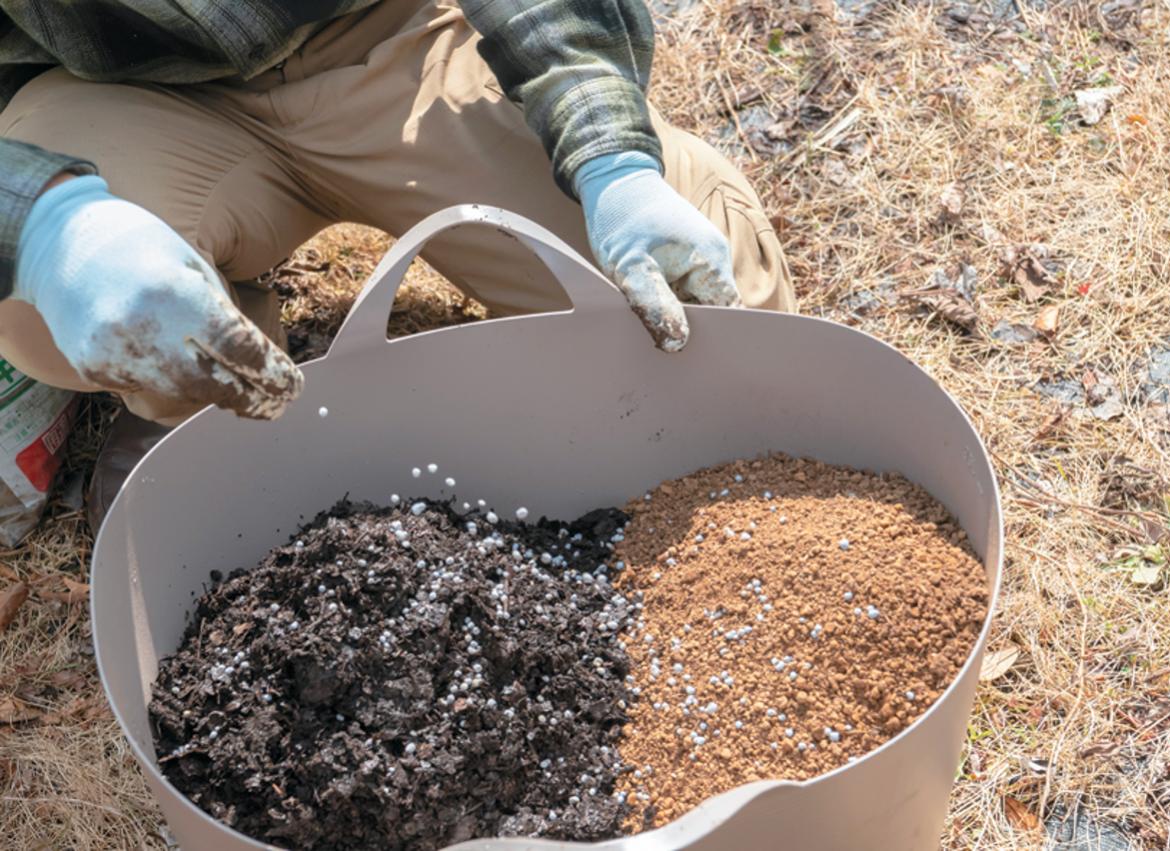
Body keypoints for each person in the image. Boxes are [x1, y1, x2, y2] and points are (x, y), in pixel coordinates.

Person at [0, 0, 795, 530]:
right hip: (134, 91)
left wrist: (609, 158)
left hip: (394, 34)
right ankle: (199, 383)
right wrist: (45, 225)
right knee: (33, 316)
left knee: (714, 321)